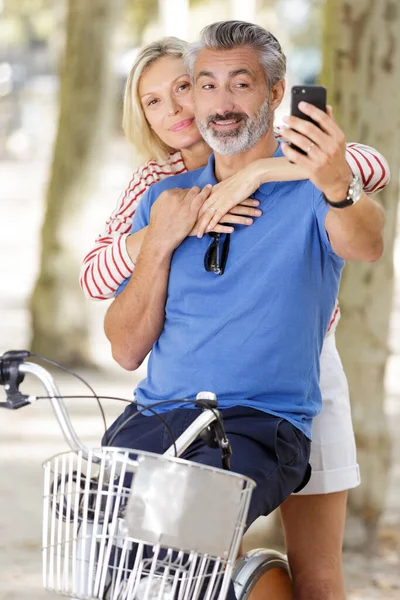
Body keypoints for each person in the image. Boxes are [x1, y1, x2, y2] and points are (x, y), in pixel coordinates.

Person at [101, 22, 385, 600]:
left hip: (264, 415)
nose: (220, 104)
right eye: (206, 86)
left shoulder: (312, 183)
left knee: (214, 549)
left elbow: (367, 240)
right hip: (164, 413)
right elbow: (125, 346)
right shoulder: (162, 195)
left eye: (240, 84)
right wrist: (159, 239)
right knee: (109, 553)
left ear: (276, 93)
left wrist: (329, 182)